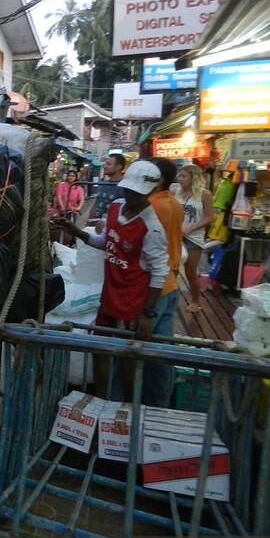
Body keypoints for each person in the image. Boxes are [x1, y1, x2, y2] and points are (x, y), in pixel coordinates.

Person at [52, 160, 169, 401]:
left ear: (150, 192)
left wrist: (147, 313)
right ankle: (100, 401)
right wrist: (75, 232)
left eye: (137, 192)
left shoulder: (153, 228)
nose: (131, 196)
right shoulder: (115, 207)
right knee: (100, 351)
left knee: (127, 358)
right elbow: (105, 242)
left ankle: (124, 408)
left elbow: (159, 271)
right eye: (128, 190)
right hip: (109, 294)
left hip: (132, 301)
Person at [145, 156, 184, 407]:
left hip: (154, 289)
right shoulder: (174, 204)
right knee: (161, 353)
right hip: (171, 284)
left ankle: (132, 406)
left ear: (157, 180)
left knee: (138, 351)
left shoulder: (149, 206)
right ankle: (159, 405)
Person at [172, 163, 215, 312]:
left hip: (194, 236)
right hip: (176, 235)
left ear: (193, 177)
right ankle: (171, 299)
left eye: (183, 176)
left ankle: (195, 300)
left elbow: (210, 217)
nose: (180, 179)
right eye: (179, 175)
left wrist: (190, 228)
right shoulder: (176, 192)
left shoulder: (205, 194)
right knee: (173, 268)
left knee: (190, 271)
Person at [93, 153, 126, 221]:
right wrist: (88, 223)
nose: (105, 166)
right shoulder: (103, 184)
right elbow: (95, 205)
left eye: (108, 164)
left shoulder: (125, 187)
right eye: (105, 164)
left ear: (118, 167)